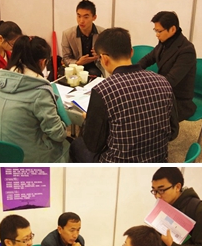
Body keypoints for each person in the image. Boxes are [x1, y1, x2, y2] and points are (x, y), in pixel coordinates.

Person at [69, 28, 175, 163]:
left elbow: (93, 145)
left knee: (76, 145)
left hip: (117, 164)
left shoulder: (103, 90)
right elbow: (173, 131)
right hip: (158, 160)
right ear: (131, 52)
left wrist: (89, 120)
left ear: (104, 59)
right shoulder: (163, 82)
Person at [0, 36, 70, 163]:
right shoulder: (39, 91)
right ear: (42, 62)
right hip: (25, 158)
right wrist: (64, 123)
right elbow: (58, 135)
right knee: (71, 145)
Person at [138, 11, 197, 121]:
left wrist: (146, 86)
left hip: (178, 100)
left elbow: (171, 80)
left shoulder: (186, 50)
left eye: (159, 31)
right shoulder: (164, 42)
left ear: (173, 29)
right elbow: (148, 59)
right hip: (164, 93)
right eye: (155, 30)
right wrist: (131, 71)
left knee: (143, 111)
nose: (157, 34)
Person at [61, 0, 105, 77]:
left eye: (86, 17)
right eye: (79, 16)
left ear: (94, 17)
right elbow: (66, 58)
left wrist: (100, 55)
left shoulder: (103, 33)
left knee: (93, 72)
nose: (81, 21)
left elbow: (109, 56)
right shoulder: (67, 34)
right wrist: (78, 63)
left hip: (96, 69)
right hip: (76, 69)